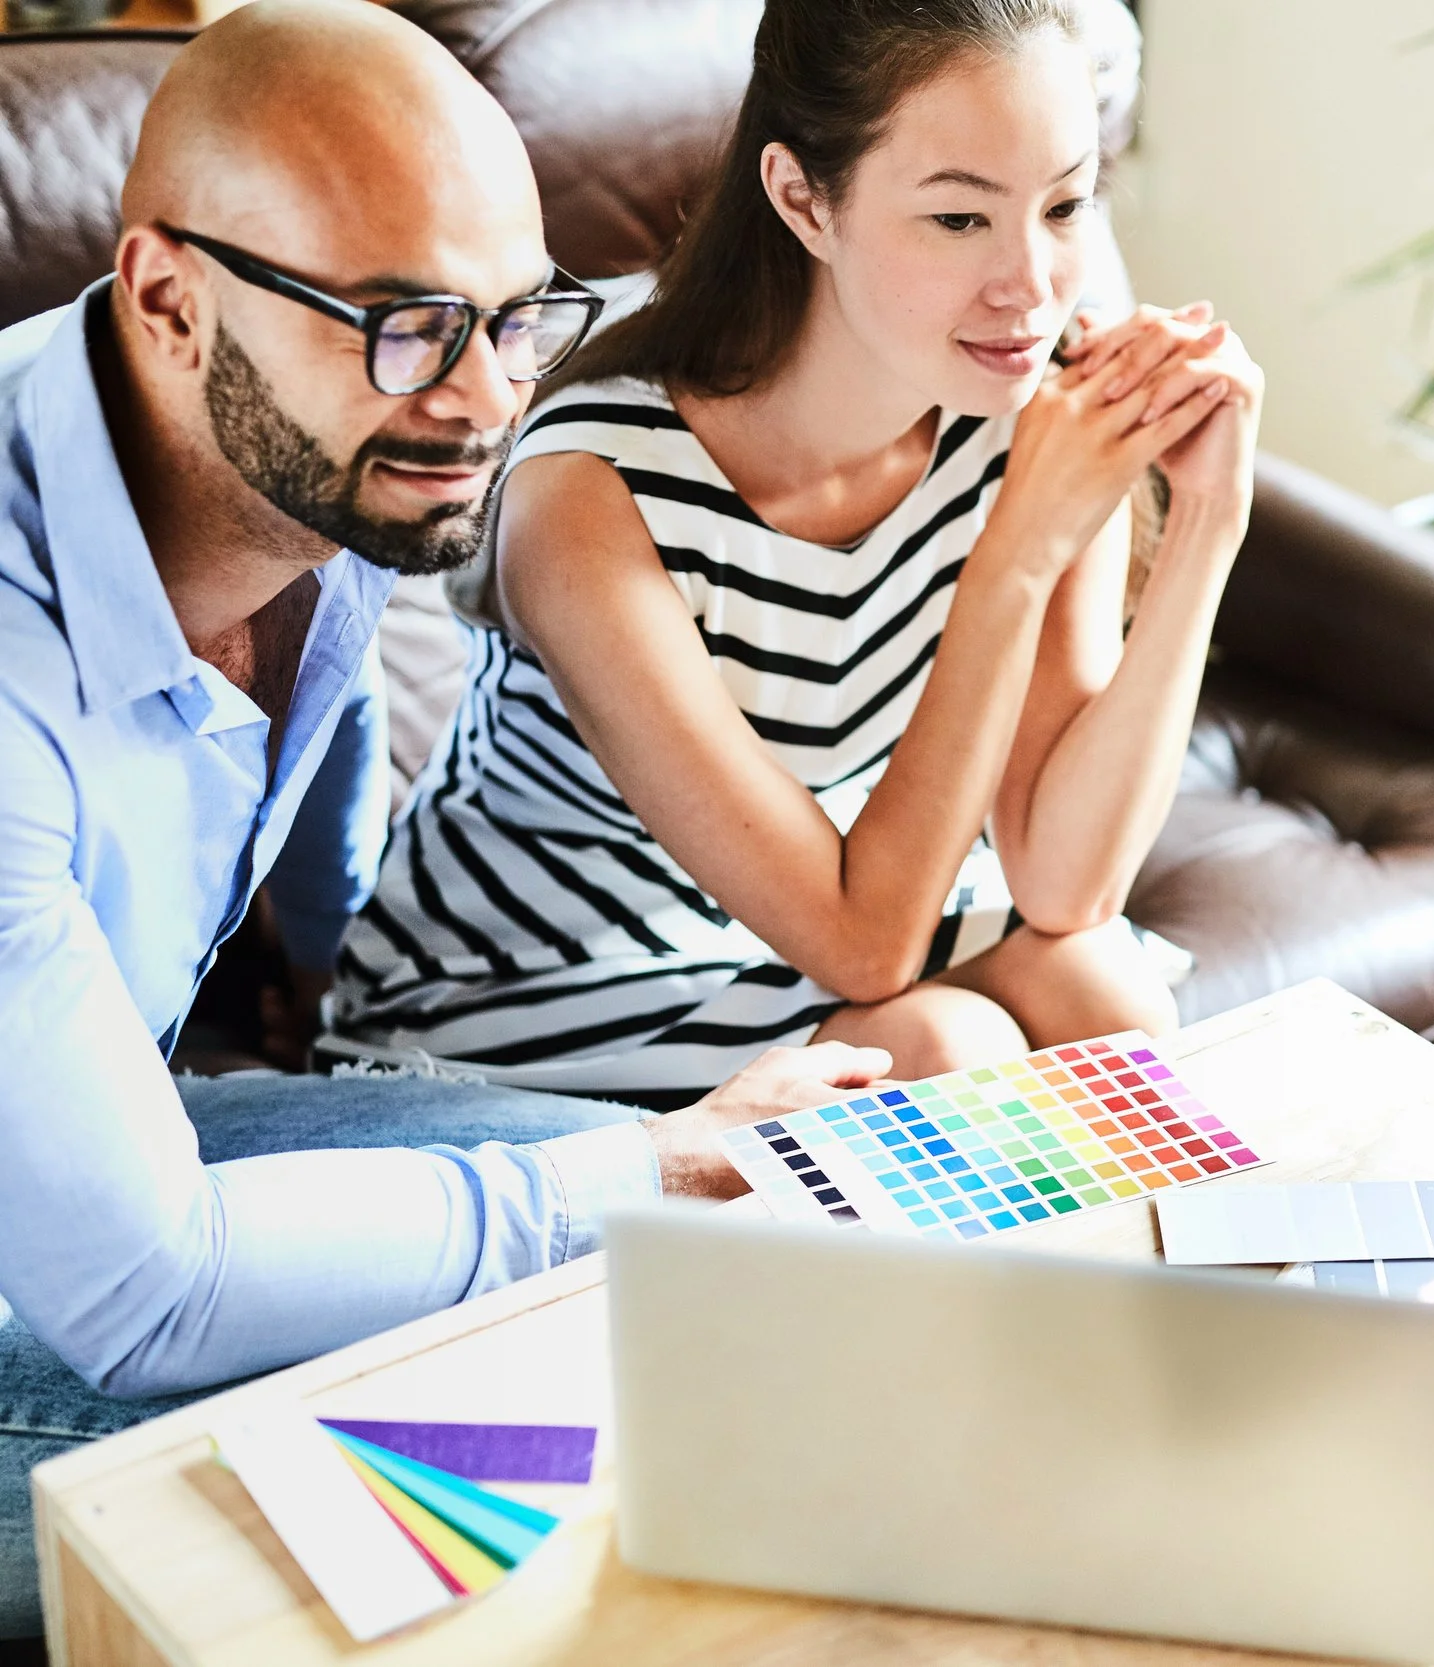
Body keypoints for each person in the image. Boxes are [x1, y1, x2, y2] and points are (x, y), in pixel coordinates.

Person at [0, 4, 889, 1637]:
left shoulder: (313, 469)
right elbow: (148, 1290)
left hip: (94, 1131)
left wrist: (544, 1096)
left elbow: (329, 857)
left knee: (697, 1238)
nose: (489, 398)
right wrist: (630, 1163)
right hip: (95, 1254)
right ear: (167, 300)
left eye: (518, 317)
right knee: (572, 1342)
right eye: (407, 321)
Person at [321, 0, 1263, 1106]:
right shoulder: (590, 491)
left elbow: (1066, 882)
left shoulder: (1024, 402)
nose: (1033, 283)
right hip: (532, 973)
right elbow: (864, 953)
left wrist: (1208, 520)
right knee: (943, 1055)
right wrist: (1017, 553)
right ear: (803, 199)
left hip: (814, 913)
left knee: (1107, 994)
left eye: (1063, 205)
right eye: (960, 220)